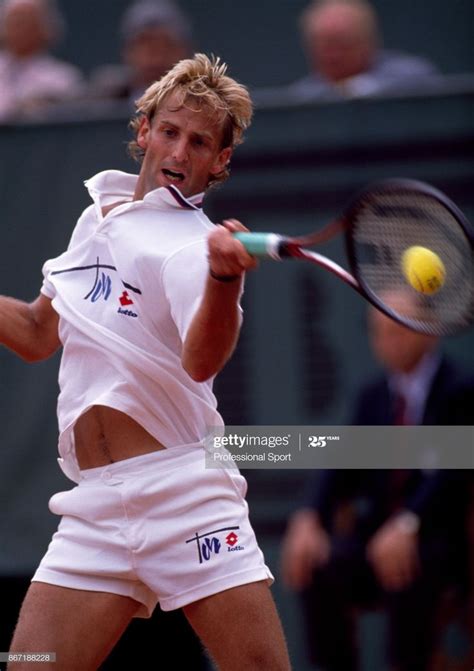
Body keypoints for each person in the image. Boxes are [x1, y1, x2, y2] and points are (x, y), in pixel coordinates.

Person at [3, 53, 291, 671]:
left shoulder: (191, 247)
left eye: (200, 143)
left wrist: (222, 280)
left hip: (186, 493)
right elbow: (33, 332)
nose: (180, 153)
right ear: (143, 131)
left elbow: (201, 361)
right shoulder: (94, 218)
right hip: (95, 506)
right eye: (170, 131)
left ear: (221, 163)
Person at [281, 298, 473, 671]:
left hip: (442, 541)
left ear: (427, 332)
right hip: (378, 538)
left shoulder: (460, 389)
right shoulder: (372, 397)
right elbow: (340, 465)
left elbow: (453, 471)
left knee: (409, 566)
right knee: (321, 566)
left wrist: (408, 524)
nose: (388, 341)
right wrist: (309, 518)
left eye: (397, 329)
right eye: (379, 332)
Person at [289, 0, 439, 100]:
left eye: (342, 44)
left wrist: (353, 89)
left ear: (367, 41)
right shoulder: (304, 97)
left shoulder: (410, 75)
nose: (334, 55)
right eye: (324, 46)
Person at [88, 0, 193, 106]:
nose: (157, 58)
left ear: (185, 51)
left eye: (167, 45)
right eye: (145, 45)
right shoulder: (104, 101)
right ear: (126, 52)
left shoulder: (203, 102)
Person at [0, 0, 84, 121]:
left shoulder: (63, 79)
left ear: (45, 28)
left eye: (27, 22)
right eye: (14, 21)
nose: (20, 28)